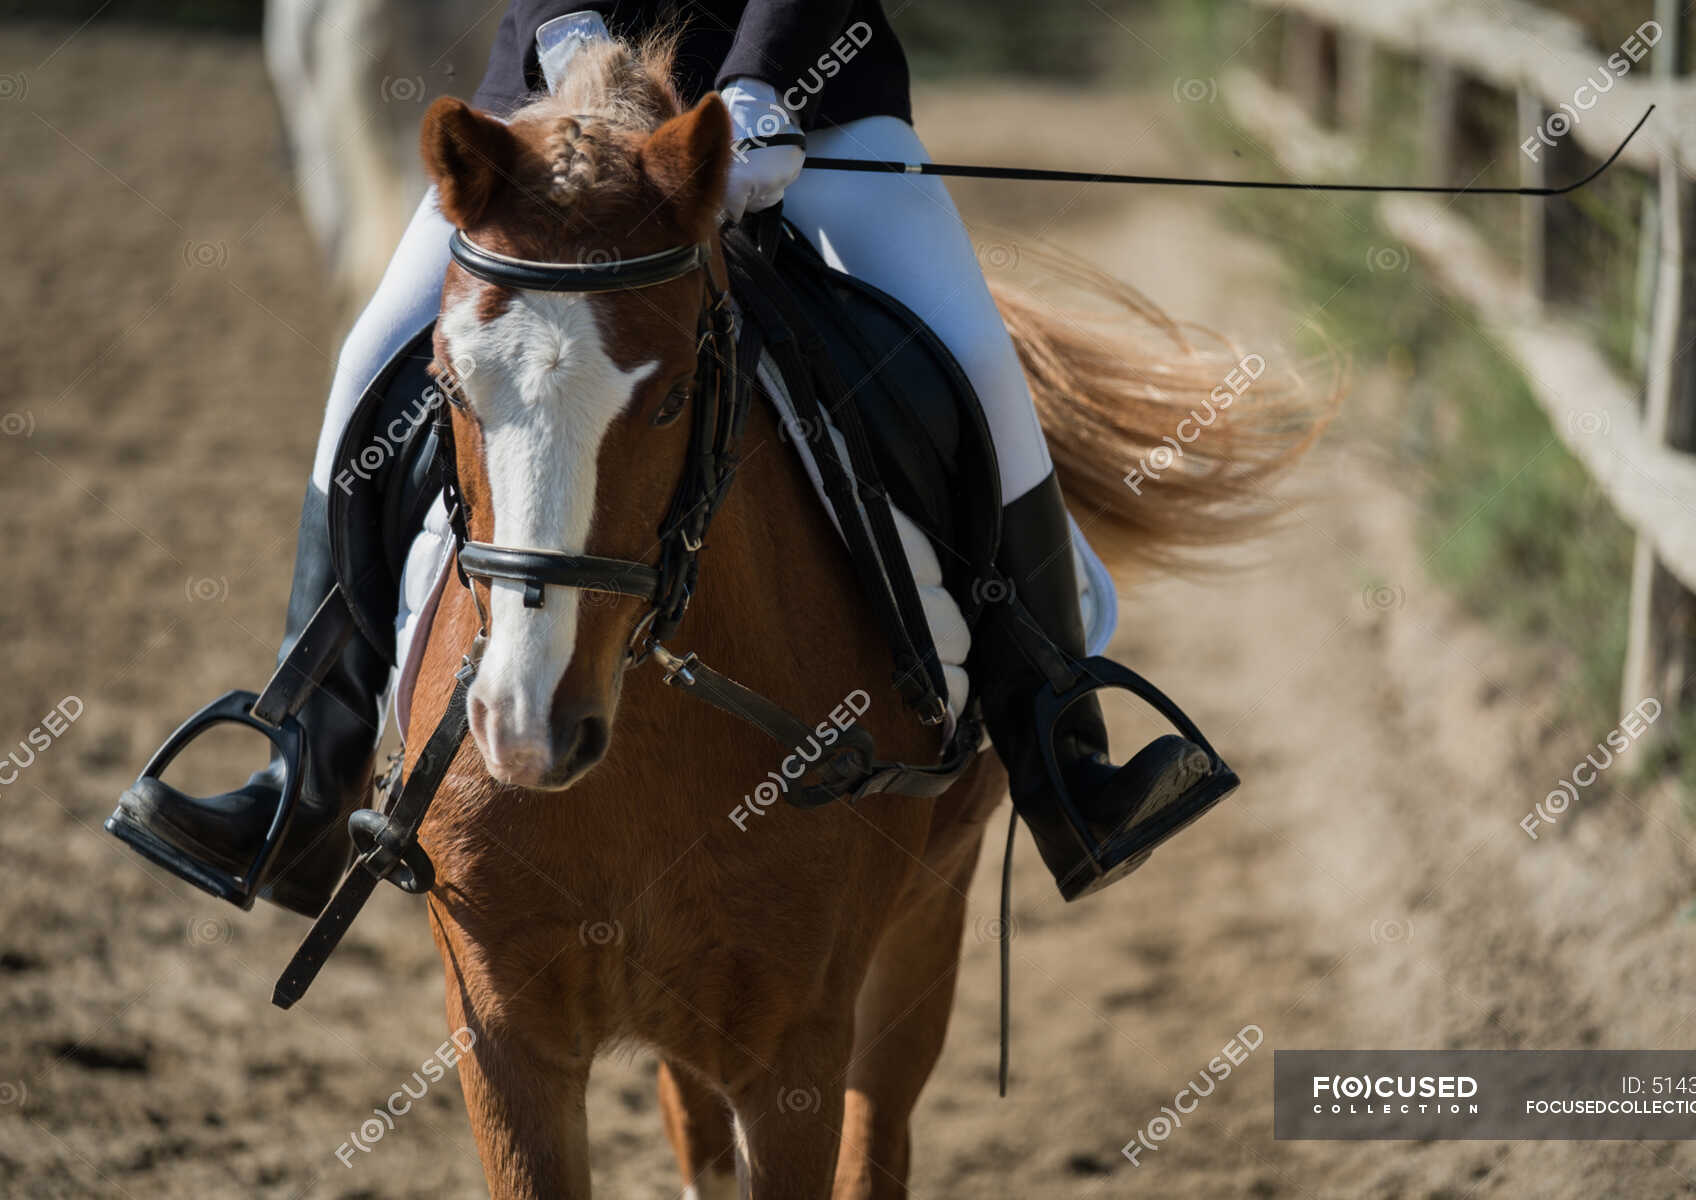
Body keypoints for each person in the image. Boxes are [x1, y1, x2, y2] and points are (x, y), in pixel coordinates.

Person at [114, 0, 1224, 912]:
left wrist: (756, 90)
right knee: (368, 360)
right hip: (551, 115)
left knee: (977, 358)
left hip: (815, 107)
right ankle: (301, 774)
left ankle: (1066, 759)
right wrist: (574, 43)